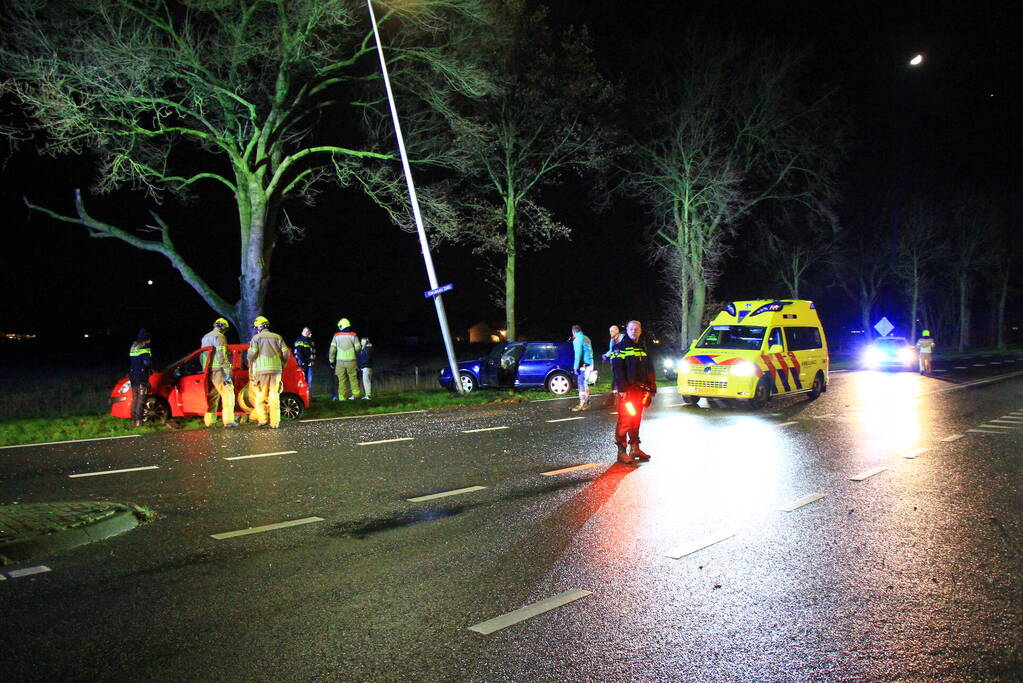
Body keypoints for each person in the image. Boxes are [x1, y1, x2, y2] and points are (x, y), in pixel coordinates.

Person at [611, 319, 656, 463]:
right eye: (631, 328)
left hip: (640, 391)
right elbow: (618, 370)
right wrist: (622, 389)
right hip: (628, 392)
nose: (634, 331)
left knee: (636, 420)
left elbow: (649, 368)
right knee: (626, 420)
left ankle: (635, 448)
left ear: (641, 330)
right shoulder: (620, 348)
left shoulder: (642, 347)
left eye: (636, 328)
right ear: (627, 330)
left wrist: (651, 387)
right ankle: (621, 451)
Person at [246, 315, 290, 428]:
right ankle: (275, 423)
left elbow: (251, 356)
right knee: (274, 396)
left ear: (259, 327)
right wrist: (282, 365)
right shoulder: (277, 337)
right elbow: (286, 353)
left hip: (262, 372)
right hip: (276, 372)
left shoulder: (256, 338)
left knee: (260, 397)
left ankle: (263, 420)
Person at [201, 318, 238, 428]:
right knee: (228, 395)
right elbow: (221, 355)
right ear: (223, 328)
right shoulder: (220, 337)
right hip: (219, 371)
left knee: (213, 397)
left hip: (208, 371)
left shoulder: (205, 337)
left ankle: (209, 421)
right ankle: (228, 421)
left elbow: (201, 356)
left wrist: (205, 369)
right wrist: (228, 370)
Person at [329, 317, 363, 400]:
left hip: (340, 363)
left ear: (341, 326)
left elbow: (332, 350)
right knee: (353, 379)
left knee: (341, 380)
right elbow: (358, 348)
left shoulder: (336, 336)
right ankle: (356, 395)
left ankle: (342, 397)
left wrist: (331, 361)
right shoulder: (353, 335)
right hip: (352, 361)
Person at [128, 328, 153, 427]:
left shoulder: (133, 348)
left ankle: (133, 420)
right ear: (145, 339)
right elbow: (147, 363)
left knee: (135, 399)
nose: (150, 341)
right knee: (141, 399)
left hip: (133, 376)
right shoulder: (144, 350)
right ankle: (139, 421)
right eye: (148, 339)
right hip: (141, 377)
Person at [570, 324, 594, 411]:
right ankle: (587, 402)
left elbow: (578, 354)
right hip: (590, 363)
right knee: (584, 383)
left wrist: (575, 367)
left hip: (583, 365)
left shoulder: (577, 340)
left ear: (574, 332)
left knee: (581, 383)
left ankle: (582, 403)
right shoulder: (586, 338)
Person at [602, 324, 624, 405]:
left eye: (611, 331)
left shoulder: (623, 338)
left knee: (616, 381)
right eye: (609, 331)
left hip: (621, 363)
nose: (610, 333)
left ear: (617, 331)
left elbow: (619, 350)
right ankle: (614, 399)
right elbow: (611, 350)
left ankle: (613, 400)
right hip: (615, 363)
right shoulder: (612, 339)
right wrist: (606, 354)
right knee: (616, 381)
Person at [293, 327, 316, 392]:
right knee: (303, 380)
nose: (307, 333)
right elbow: (299, 353)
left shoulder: (310, 341)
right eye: (305, 331)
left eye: (308, 331)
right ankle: (302, 395)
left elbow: (312, 353)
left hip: (309, 364)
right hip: (302, 364)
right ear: (302, 333)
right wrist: (302, 363)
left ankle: (308, 395)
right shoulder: (300, 340)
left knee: (309, 380)